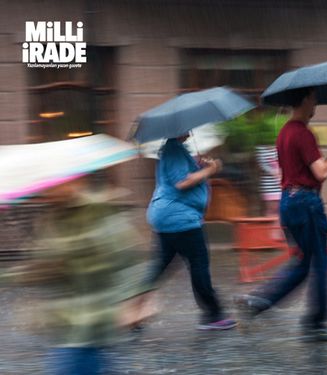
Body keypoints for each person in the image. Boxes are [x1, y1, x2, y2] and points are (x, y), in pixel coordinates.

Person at [1, 177, 151, 375]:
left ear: (76, 182)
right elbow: (43, 268)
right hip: (64, 322)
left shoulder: (97, 212)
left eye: (56, 183)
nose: (50, 190)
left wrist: (135, 301)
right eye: (47, 185)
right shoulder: (51, 219)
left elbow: (126, 259)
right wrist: (11, 275)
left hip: (92, 321)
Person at [235, 87, 327, 341]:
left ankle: (258, 302)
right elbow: (321, 173)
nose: (316, 103)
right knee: (320, 264)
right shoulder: (303, 133)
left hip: (289, 203)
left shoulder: (284, 132)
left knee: (302, 264)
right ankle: (316, 324)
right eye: (314, 98)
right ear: (305, 99)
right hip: (306, 204)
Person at [146, 134, 236, 331]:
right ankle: (213, 314)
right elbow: (182, 182)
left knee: (159, 266)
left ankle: (130, 309)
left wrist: (198, 165)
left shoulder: (174, 149)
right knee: (199, 263)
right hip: (181, 218)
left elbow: (179, 176)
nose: (191, 130)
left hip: (169, 216)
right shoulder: (174, 149)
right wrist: (209, 170)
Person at [256, 144, 282, 217]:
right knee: (271, 210)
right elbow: (261, 165)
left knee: (282, 210)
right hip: (270, 186)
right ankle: (271, 227)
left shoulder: (282, 145)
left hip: (282, 185)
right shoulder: (261, 149)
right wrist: (274, 172)